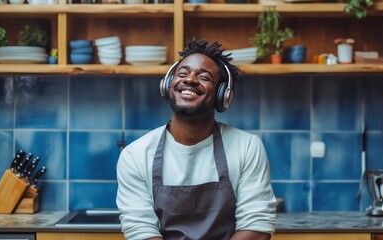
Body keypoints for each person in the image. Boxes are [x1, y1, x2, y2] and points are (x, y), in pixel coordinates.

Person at [116, 39, 277, 240]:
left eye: (204, 77)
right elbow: (140, 231)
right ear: (167, 84)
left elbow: (257, 226)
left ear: (222, 95)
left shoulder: (247, 147)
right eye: (182, 73)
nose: (190, 80)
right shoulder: (135, 155)